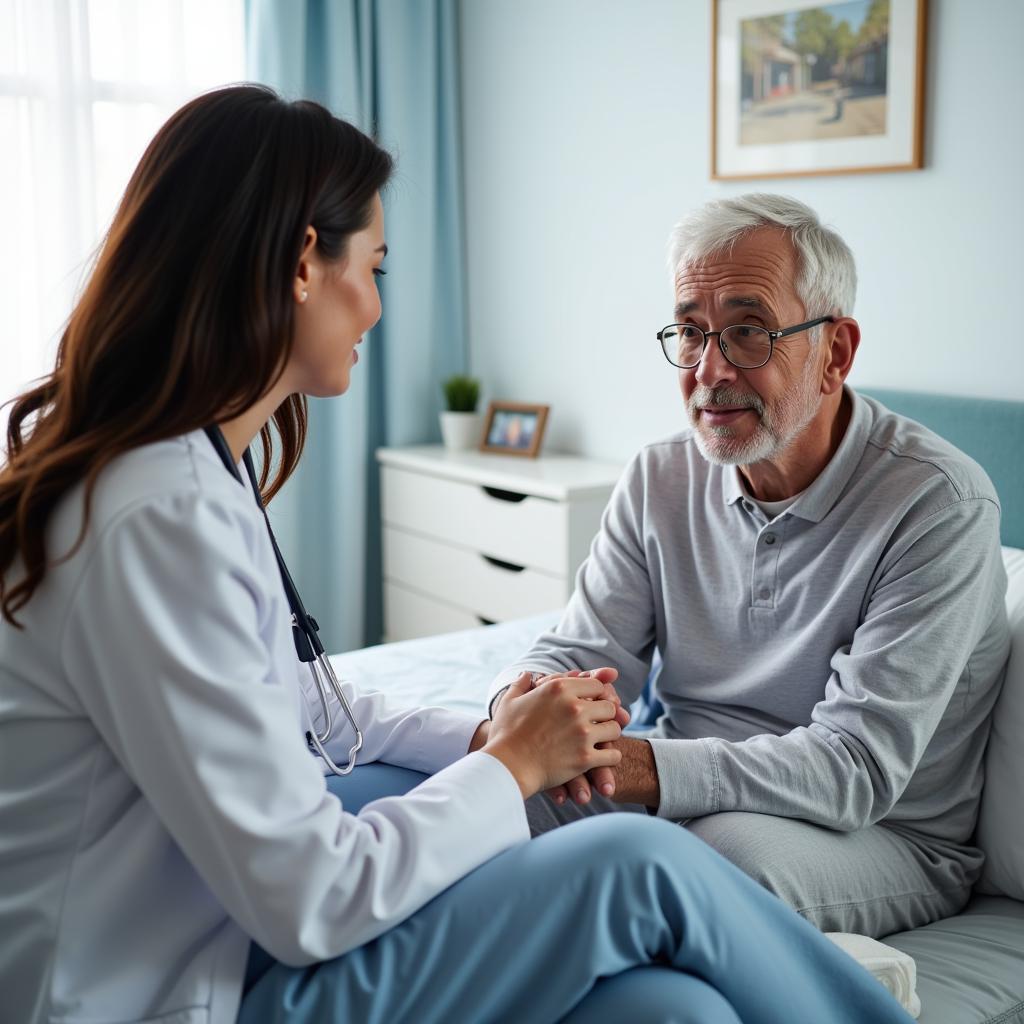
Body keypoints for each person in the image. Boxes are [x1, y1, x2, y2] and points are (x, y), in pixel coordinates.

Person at [0, 87, 915, 1024]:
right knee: (642, 865)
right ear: (302, 265)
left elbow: (308, 704)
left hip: (224, 940)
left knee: (668, 1008)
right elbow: (314, 896)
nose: (377, 307)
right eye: (376, 267)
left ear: (833, 352)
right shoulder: (154, 515)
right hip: (180, 989)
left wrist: (486, 739)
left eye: (748, 332)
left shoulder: (185, 475)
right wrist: (511, 764)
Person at [488, 193, 1011, 941]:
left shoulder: (939, 505)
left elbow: (853, 767)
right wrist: (520, 702)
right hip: (683, 780)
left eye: (747, 333)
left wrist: (646, 770)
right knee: (483, 802)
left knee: (695, 865)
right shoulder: (658, 476)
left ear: (835, 353)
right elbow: (585, 652)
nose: (710, 371)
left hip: (880, 835)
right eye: (692, 333)